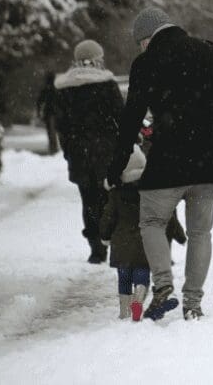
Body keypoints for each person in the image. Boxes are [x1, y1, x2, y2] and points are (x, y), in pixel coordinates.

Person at [106, 7, 213, 321]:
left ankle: (162, 283)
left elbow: (131, 118)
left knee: (152, 223)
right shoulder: (209, 52)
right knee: (201, 233)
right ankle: (193, 304)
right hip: (210, 161)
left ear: (147, 38)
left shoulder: (146, 63)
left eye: (139, 42)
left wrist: (117, 164)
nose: (140, 48)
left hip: (167, 163)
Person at [53, 40, 124, 263]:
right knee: (108, 199)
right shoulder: (107, 85)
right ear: (98, 59)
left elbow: (61, 126)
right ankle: (108, 240)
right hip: (107, 152)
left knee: (88, 200)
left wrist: (68, 151)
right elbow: (120, 118)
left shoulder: (65, 89)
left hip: (79, 153)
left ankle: (95, 248)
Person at [100, 144, 186, 321]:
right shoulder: (152, 192)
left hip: (121, 243)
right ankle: (139, 295)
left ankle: (125, 311)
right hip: (146, 243)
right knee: (141, 273)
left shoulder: (116, 194)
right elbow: (168, 215)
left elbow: (108, 217)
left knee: (123, 278)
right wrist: (179, 235)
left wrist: (105, 236)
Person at [35, 71, 59, 154]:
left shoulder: (46, 89)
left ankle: (53, 147)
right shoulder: (57, 89)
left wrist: (39, 112)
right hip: (56, 112)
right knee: (54, 131)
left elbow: (39, 102)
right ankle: (54, 147)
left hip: (49, 112)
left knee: (50, 131)